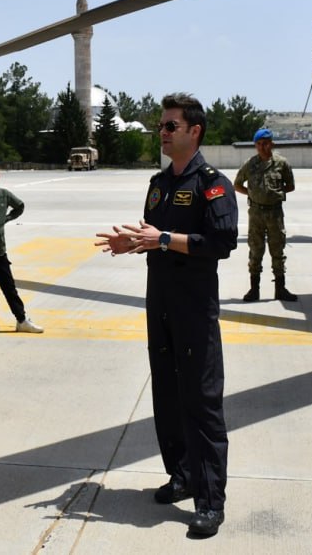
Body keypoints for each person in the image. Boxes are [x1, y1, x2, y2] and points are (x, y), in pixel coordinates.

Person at [95, 92, 237, 540]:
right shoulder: (158, 183)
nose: (162, 132)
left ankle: (210, 501)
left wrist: (161, 239)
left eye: (170, 126)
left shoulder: (212, 183)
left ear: (194, 131)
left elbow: (221, 242)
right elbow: (151, 235)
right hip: (160, 300)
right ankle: (181, 474)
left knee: (201, 400)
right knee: (167, 392)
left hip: (194, 304)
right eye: (161, 126)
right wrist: (131, 243)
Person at [0, 162, 42, 334]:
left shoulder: (4, 195)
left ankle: (21, 319)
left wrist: (7, 218)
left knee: (9, 286)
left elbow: (20, 206)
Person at [233, 127, 296, 302]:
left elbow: (290, 186)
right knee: (255, 250)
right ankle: (254, 289)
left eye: (265, 143)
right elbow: (237, 184)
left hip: (275, 213)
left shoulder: (281, 163)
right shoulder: (250, 164)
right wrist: (252, 194)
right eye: (259, 144)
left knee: (278, 250)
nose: (262, 147)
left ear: (272, 144)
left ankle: (280, 289)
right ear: (255, 146)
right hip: (256, 214)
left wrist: (275, 193)